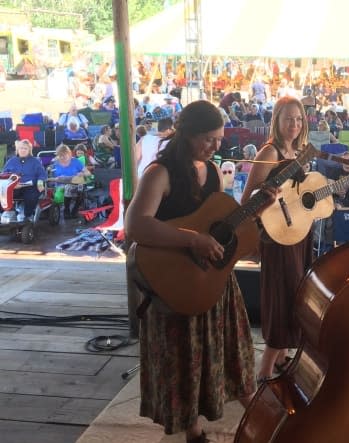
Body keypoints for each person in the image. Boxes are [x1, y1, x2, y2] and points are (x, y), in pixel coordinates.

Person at [124, 100, 258, 443]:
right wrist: (192, 240)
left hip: (212, 284)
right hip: (175, 285)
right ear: (188, 134)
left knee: (229, 358)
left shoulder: (213, 171)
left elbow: (220, 222)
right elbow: (137, 225)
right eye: (209, 139)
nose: (216, 146)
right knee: (183, 364)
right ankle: (194, 432)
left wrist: (259, 207)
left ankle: (256, 413)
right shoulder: (160, 173)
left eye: (219, 139)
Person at [240, 96, 314, 381]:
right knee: (281, 297)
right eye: (288, 119)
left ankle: (282, 358)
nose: (294, 124)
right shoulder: (269, 152)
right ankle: (266, 369)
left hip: (297, 231)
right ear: (277, 121)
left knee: (295, 293)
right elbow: (248, 200)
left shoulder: (297, 151)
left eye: (298, 119)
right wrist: (271, 196)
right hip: (276, 236)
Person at [1, 139, 46, 222]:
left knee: (30, 197)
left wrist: (40, 182)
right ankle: (8, 212)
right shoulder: (11, 161)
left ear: (29, 150)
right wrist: (11, 184)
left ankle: (28, 215)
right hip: (13, 186)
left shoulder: (35, 161)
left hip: (31, 186)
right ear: (17, 150)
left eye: (25, 148)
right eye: (21, 148)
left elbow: (42, 174)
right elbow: (4, 174)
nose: (23, 150)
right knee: (3, 193)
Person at [52, 144, 92, 219]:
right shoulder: (55, 162)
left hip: (74, 183)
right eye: (60, 155)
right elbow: (49, 174)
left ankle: (74, 209)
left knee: (72, 188)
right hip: (60, 184)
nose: (63, 157)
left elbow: (88, 173)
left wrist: (82, 173)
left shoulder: (75, 161)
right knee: (67, 188)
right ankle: (66, 210)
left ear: (69, 154)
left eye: (65, 155)